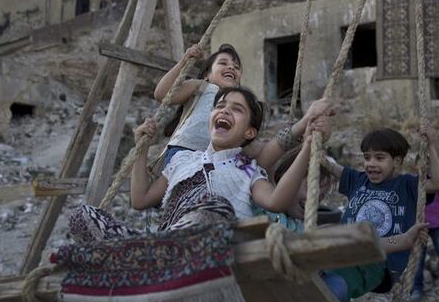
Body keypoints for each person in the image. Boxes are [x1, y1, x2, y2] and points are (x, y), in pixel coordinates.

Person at [68, 86, 327, 243]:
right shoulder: (183, 160)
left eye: (237, 110)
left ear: (249, 132)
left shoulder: (248, 168)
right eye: (221, 106)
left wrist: (306, 147)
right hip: (168, 240)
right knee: (83, 216)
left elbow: (275, 202)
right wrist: (142, 150)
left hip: (214, 245)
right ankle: (149, 255)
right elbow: (140, 199)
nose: (224, 111)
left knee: (212, 207)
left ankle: (149, 255)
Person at [256, 148, 428, 302]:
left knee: (336, 285)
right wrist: (304, 135)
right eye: (310, 188)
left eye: (320, 196)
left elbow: (357, 243)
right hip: (259, 278)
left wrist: (402, 240)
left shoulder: (302, 227)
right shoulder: (261, 202)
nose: (313, 200)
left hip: (291, 289)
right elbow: (258, 155)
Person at [153, 43, 329, 170]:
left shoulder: (240, 107)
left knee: (257, 156)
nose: (231, 67)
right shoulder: (201, 86)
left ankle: (299, 139)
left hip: (217, 161)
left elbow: (253, 145)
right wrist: (184, 61)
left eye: (236, 67)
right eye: (223, 63)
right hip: (183, 153)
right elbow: (162, 94)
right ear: (207, 74)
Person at [324, 127, 439, 293]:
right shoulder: (358, 179)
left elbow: (438, 184)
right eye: (367, 158)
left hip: (382, 265)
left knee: (334, 283)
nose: (371, 164)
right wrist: (312, 140)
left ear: (396, 161)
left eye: (379, 158)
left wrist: (430, 146)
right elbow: (330, 166)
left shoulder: (407, 185)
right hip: (347, 254)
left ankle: (332, 290)